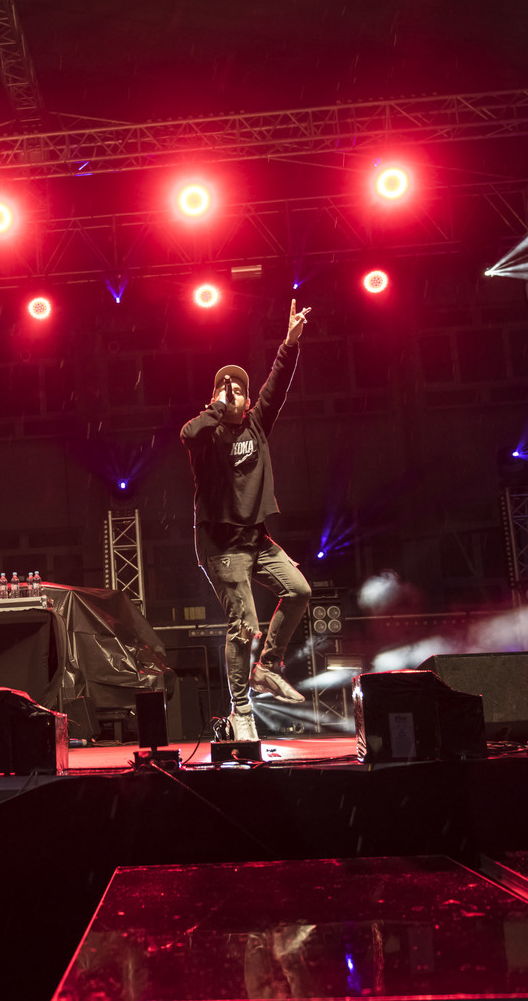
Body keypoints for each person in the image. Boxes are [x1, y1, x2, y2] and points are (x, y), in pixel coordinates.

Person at [181, 299, 313, 742]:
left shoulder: (257, 424)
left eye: (239, 388)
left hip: (255, 540)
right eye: (225, 388)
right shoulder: (208, 435)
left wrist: (289, 343)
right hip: (221, 545)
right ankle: (241, 711)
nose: (232, 392)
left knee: (299, 590)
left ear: (248, 398)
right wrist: (217, 408)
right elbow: (188, 433)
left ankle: (267, 667)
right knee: (244, 624)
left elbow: (278, 385)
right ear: (215, 398)